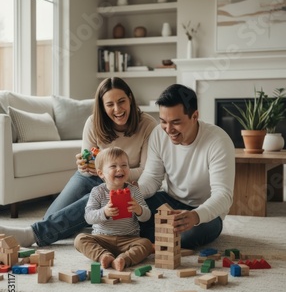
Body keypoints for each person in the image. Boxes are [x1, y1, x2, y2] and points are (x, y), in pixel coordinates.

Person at [0, 78, 157, 247]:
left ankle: (31, 235)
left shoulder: (147, 125)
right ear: (102, 106)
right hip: (90, 176)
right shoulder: (93, 123)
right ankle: (92, 220)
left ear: (130, 99)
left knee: (88, 203)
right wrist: (85, 165)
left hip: (122, 181)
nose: (117, 109)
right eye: (110, 104)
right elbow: (87, 158)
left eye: (121, 102)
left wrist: (112, 175)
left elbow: (145, 169)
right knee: (51, 217)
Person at [138, 83, 235, 250]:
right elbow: (152, 178)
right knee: (131, 209)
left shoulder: (218, 141)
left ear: (195, 116)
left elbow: (223, 195)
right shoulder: (158, 134)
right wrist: (134, 192)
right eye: (163, 122)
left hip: (204, 212)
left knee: (190, 236)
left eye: (176, 122)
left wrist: (196, 216)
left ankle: (143, 237)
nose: (168, 130)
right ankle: (155, 236)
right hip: (170, 200)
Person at [74, 147, 153, 271]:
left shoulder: (133, 191)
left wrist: (138, 209)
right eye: (113, 166)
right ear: (101, 173)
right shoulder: (97, 192)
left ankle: (123, 259)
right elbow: (88, 217)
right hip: (102, 238)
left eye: (124, 165)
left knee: (146, 244)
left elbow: (147, 216)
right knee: (80, 239)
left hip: (128, 239)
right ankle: (104, 256)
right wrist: (104, 212)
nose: (120, 169)